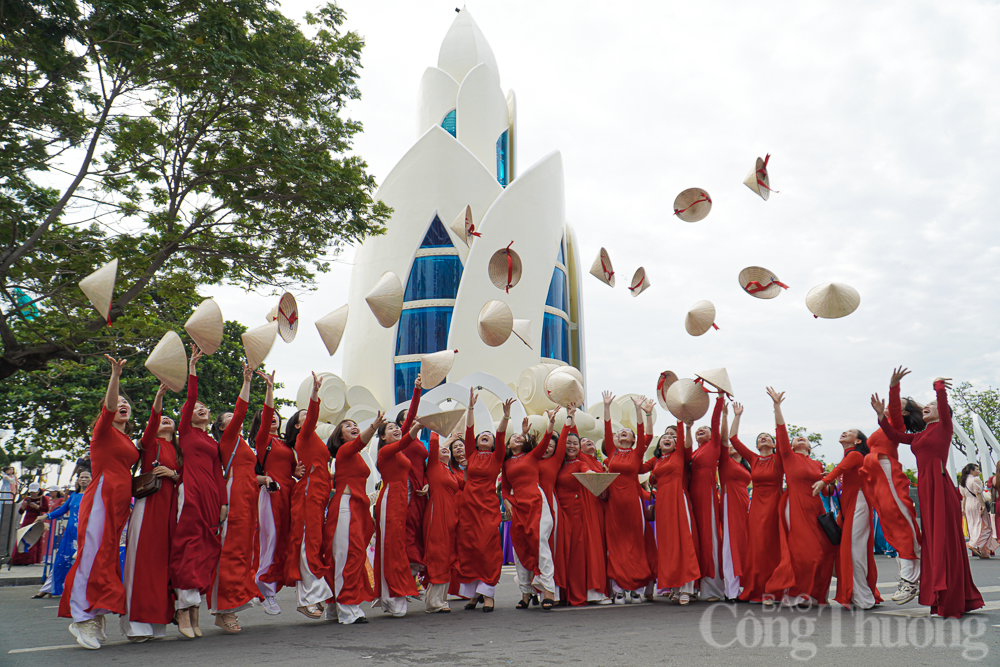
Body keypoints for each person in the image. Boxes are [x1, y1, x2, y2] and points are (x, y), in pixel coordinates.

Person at [872, 379, 984, 617]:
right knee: (933, 542)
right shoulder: (920, 436)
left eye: (932, 405)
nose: (928, 406)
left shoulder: (944, 427)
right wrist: (881, 415)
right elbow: (893, 434)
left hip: (940, 487)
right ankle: (941, 596)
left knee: (944, 541)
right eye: (927, 405)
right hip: (925, 488)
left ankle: (952, 598)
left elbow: (943, 407)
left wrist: (939, 388)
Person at [58, 355, 140, 650]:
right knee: (91, 555)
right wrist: (115, 375)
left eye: (127, 404)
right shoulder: (102, 432)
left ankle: (97, 609)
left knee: (107, 557)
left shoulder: (129, 441)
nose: (123, 406)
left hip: (121, 502)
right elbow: (108, 407)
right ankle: (81, 616)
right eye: (118, 402)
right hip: (101, 498)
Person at [171, 345, 228, 638]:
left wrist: (223, 503)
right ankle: (183, 608)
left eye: (205, 407)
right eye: (196, 408)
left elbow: (219, 474)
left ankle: (194, 609)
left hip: (210, 497)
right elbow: (190, 397)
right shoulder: (187, 432)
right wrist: (192, 368)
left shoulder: (212, 442)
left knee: (206, 551)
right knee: (188, 549)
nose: (201, 409)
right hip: (190, 492)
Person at [121, 382, 181, 641]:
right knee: (142, 563)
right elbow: (154, 418)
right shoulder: (149, 444)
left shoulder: (179, 452)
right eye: (162, 418)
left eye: (171, 419)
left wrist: (174, 473)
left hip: (171, 512)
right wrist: (159, 395)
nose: (166, 419)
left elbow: (191, 477)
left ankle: (158, 623)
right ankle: (135, 625)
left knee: (163, 567)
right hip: (149, 509)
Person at [763, 388, 834, 607]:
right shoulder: (788, 457)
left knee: (823, 552)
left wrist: (830, 485)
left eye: (804, 438)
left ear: (810, 448)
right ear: (791, 446)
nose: (800, 437)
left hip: (816, 509)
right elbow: (781, 431)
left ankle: (813, 593)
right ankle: (796, 593)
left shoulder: (817, 465)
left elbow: (825, 491)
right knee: (806, 553)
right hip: (795, 505)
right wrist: (777, 406)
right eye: (796, 438)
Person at [861, 367, 924, 604]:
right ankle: (907, 577)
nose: (891, 405)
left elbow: (895, 408)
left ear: (904, 411)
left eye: (899, 403)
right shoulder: (883, 424)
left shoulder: (897, 423)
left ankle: (910, 580)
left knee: (901, 521)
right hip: (877, 477)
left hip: (888, 473)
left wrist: (894, 386)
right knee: (889, 525)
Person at [208, 362, 259, 633]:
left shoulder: (243, 443)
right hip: (235, 498)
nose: (233, 417)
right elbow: (242, 411)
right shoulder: (227, 441)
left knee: (242, 554)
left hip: (249, 500)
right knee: (229, 554)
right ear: (220, 427)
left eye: (232, 416)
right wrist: (246, 382)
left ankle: (229, 606)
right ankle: (224, 609)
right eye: (226, 417)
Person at [323, 413, 385, 624]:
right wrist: (374, 427)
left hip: (356, 508)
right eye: (347, 426)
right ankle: (347, 609)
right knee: (347, 557)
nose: (353, 426)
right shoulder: (345, 450)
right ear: (339, 436)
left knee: (352, 556)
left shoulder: (355, 454)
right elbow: (360, 442)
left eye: (355, 424)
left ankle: (336, 607)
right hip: (345, 508)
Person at [284, 372, 335, 620]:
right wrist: (315, 394)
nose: (309, 418)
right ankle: (307, 599)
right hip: (307, 493)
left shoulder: (315, 440)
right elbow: (313, 416)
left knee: (313, 543)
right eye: (303, 416)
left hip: (319, 493)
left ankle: (311, 596)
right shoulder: (304, 436)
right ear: (297, 426)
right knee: (307, 544)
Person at [812, 427, 881, 610]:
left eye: (850, 432)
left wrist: (824, 481)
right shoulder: (847, 457)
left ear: (858, 441)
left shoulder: (855, 455)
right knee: (851, 550)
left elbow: (840, 469)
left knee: (854, 550)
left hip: (859, 503)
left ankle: (863, 596)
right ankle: (860, 593)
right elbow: (840, 481)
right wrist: (831, 483)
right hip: (849, 507)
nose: (844, 433)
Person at [373, 375, 423, 617]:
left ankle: (391, 594)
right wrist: (413, 431)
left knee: (398, 546)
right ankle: (393, 594)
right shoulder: (386, 452)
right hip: (389, 501)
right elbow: (408, 436)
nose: (396, 429)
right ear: (382, 437)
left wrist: (417, 390)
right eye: (391, 428)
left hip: (402, 501)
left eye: (397, 427)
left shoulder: (398, 446)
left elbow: (410, 417)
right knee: (392, 547)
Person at [253, 370, 302, 615]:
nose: (271, 418)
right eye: (266, 416)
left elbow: (295, 471)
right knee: (269, 542)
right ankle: (263, 589)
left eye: (274, 416)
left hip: (289, 495)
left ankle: (270, 588)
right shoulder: (263, 441)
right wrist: (270, 389)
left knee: (284, 541)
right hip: (271, 495)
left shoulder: (284, 443)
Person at [728, 400, 787, 605]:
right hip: (756, 508)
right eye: (760, 437)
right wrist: (737, 416)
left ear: (773, 444)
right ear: (756, 445)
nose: (764, 438)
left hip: (775, 507)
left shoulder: (780, 458)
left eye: (767, 437)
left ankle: (773, 590)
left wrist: (776, 407)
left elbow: (781, 432)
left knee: (771, 548)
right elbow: (733, 439)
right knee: (757, 549)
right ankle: (756, 588)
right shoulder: (753, 459)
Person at [455, 388, 508, 612]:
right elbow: (468, 428)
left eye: (489, 435)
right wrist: (470, 407)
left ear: (493, 443)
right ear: (476, 442)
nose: (484, 435)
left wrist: (505, 416)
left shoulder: (497, 458)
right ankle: (474, 593)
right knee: (470, 548)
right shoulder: (471, 454)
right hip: (468, 507)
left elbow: (502, 434)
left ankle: (488, 593)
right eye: (481, 435)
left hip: (487, 507)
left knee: (488, 548)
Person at [502, 402, 556, 609]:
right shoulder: (506, 463)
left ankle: (548, 591)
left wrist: (550, 423)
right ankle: (525, 592)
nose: (517, 437)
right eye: (513, 436)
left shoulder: (532, 456)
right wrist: (506, 500)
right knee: (520, 548)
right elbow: (505, 487)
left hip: (535, 500)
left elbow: (544, 443)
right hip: (517, 505)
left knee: (540, 543)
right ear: (507, 445)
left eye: (520, 436)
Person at [639, 420, 700, 604]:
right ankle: (674, 587)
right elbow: (638, 467)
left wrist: (682, 422)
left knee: (683, 542)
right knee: (667, 545)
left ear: (676, 443)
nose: (667, 439)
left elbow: (684, 440)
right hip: (662, 504)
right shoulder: (656, 460)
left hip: (678, 500)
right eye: (663, 438)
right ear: (658, 445)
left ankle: (686, 590)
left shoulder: (680, 454)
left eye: (671, 438)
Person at [602, 392, 655, 602]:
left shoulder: (637, 454)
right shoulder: (612, 453)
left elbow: (643, 432)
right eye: (620, 432)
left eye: (628, 432)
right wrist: (606, 406)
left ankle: (637, 588)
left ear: (633, 440)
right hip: (614, 505)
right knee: (615, 546)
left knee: (635, 544)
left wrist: (639, 410)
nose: (623, 433)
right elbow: (607, 428)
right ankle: (618, 588)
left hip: (634, 504)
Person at [422, 432, 465, 612]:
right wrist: (439, 430)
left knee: (448, 554)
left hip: (450, 515)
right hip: (437, 512)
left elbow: (469, 484)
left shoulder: (452, 471)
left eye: (448, 449)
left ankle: (441, 599)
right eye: (443, 449)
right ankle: (433, 601)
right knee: (437, 553)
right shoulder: (433, 465)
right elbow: (433, 445)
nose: (446, 450)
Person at [689, 393, 725, 602]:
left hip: (707, 498)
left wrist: (719, 398)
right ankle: (694, 584)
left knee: (709, 539)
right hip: (691, 499)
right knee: (695, 542)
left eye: (705, 429)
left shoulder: (713, 447)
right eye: (698, 429)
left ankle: (713, 588)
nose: (700, 430)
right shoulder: (693, 452)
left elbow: (715, 420)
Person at [33, 472, 90, 599]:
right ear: (78, 480)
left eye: (87, 477)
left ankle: (80, 590)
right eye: (81, 477)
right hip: (70, 535)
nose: (84, 479)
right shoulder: (74, 495)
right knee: (61, 561)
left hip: (87, 533)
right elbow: (62, 510)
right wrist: (46, 516)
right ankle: (50, 588)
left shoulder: (95, 495)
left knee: (83, 563)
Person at [719, 404, 750, 602]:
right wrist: (729, 415)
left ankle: (745, 585)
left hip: (745, 503)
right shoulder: (724, 461)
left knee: (744, 543)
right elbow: (726, 438)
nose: (731, 447)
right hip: (730, 501)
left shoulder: (746, 465)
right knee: (730, 544)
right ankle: (731, 589)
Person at [960, 463, 998, 558]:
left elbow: (964, 497)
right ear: (971, 471)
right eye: (976, 469)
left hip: (968, 504)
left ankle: (983, 551)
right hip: (977, 503)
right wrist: (983, 506)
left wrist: (963, 508)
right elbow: (978, 494)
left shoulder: (963, 481)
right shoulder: (975, 479)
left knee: (973, 525)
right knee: (987, 527)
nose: (978, 471)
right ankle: (975, 545)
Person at [13, 481, 49, 564]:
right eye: (31, 492)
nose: (33, 494)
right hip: (27, 520)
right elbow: (21, 512)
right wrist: (23, 506)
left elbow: (46, 509)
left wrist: (37, 507)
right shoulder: (27, 499)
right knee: (23, 537)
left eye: (34, 492)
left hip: (37, 519)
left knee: (34, 538)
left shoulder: (43, 498)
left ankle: (32, 559)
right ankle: (19, 559)